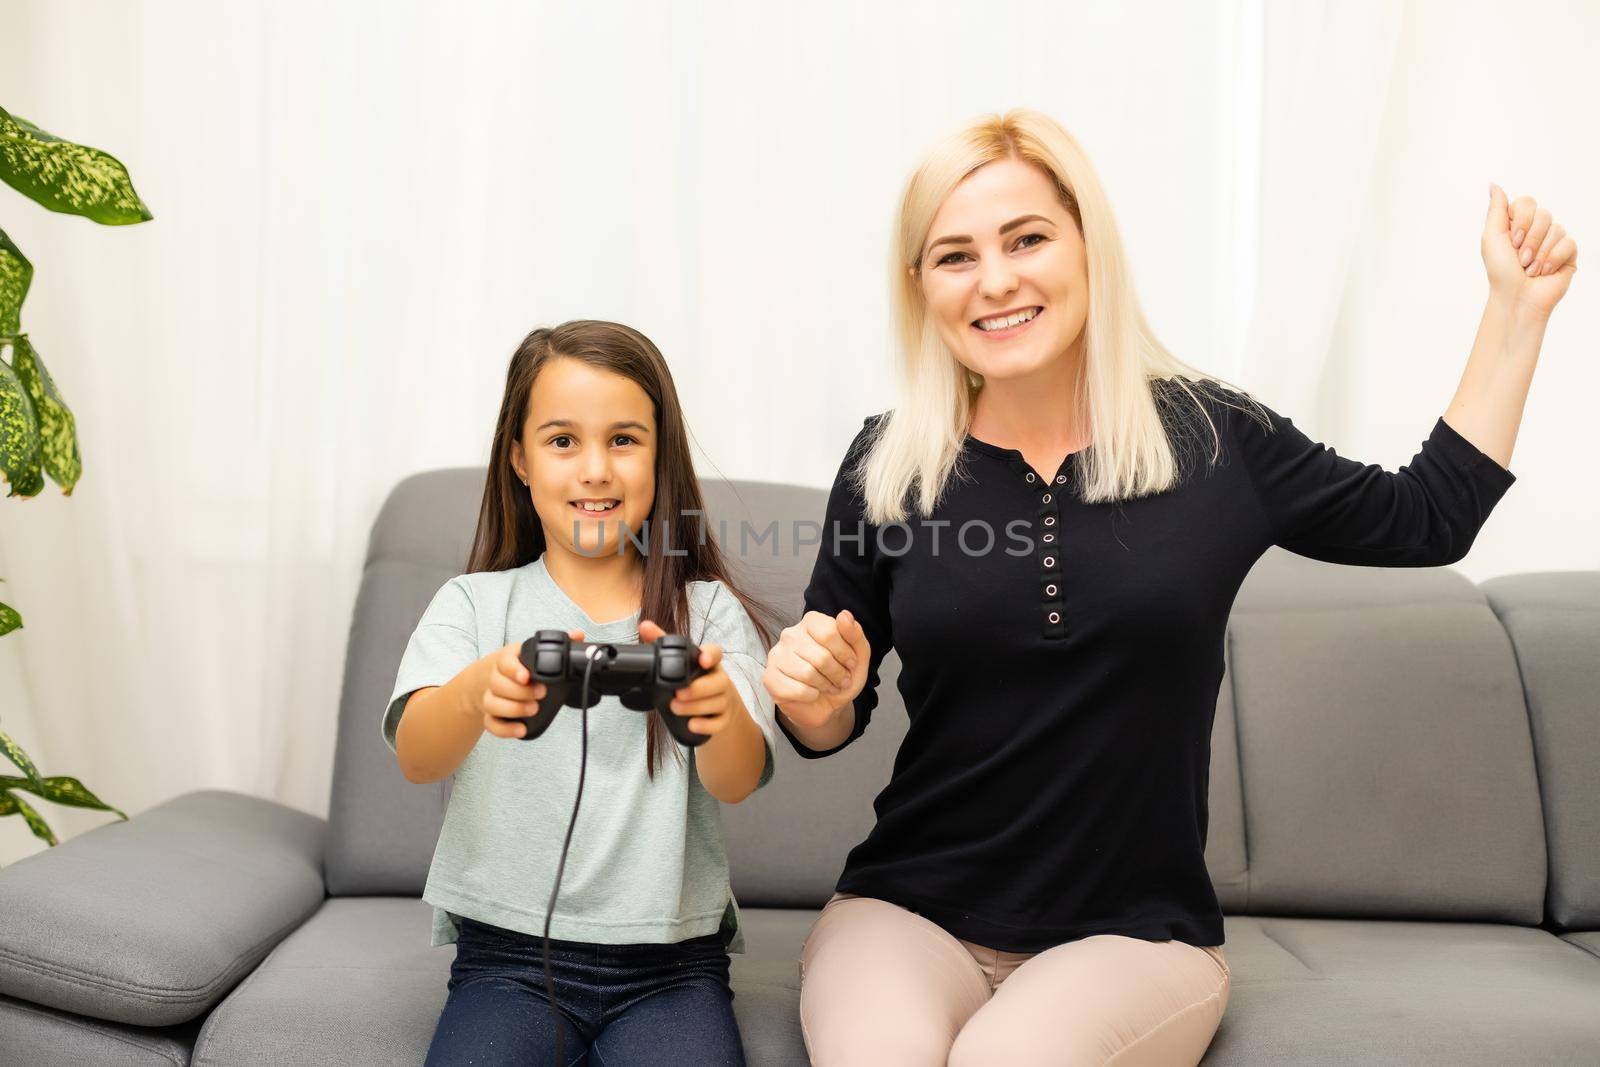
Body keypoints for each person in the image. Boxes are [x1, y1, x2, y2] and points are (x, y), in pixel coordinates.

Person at [762, 108, 1576, 1066]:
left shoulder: (1213, 438)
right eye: (955, 255)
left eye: (1027, 238)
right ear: (921, 286)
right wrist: (811, 694)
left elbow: (1428, 517)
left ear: (1087, 245)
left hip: (1133, 936)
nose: (997, 280)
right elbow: (827, 722)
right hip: (906, 912)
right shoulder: (888, 462)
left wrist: (1516, 312)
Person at [383, 320, 781, 1066]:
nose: (595, 469)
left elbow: (735, 779)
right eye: (563, 440)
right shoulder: (473, 604)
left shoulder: (708, 614)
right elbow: (416, 755)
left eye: (624, 440)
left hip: (673, 968)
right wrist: (473, 693)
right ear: (519, 459)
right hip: (507, 963)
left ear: (660, 457)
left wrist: (715, 713)